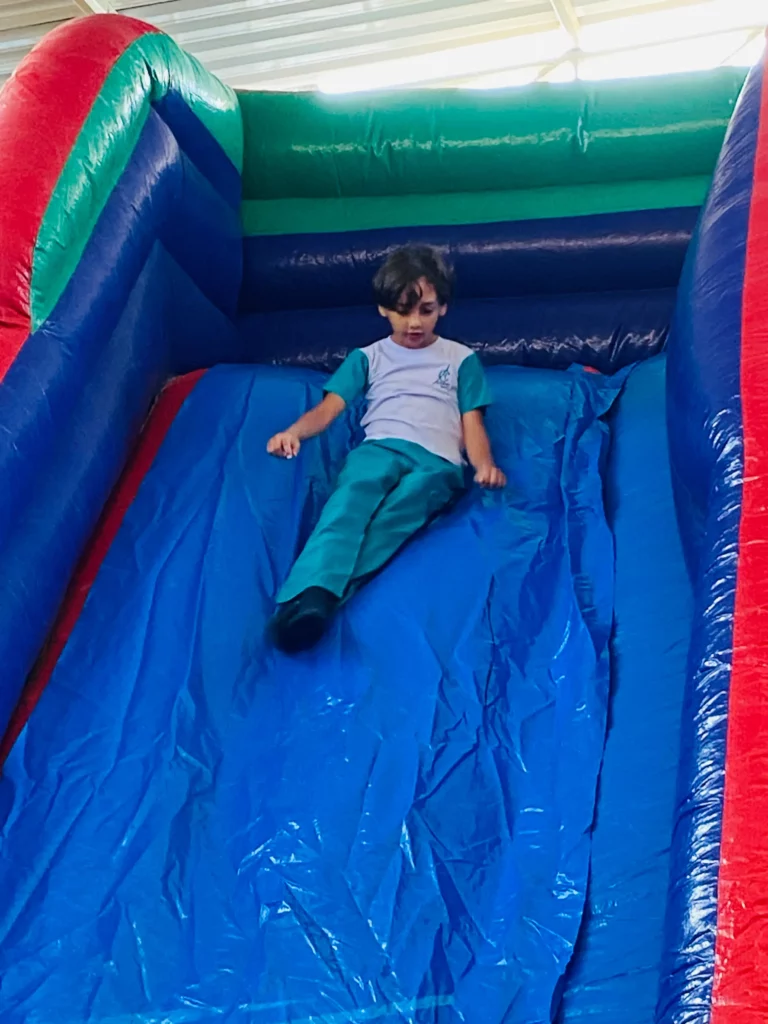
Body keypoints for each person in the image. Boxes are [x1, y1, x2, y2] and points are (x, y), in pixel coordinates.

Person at [266, 243, 506, 653]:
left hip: (437, 462)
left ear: (443, 308)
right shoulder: (369, 357)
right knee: (349, 505)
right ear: (383, 309)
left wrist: (483, 463)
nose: (414, 322)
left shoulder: (460, 359)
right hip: (380, 448)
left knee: (394, 518)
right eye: (402, 310)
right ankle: (312, 597)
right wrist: (294, 433)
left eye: (426, 310)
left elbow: (472, 421)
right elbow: (329, 409)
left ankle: (314, 599)